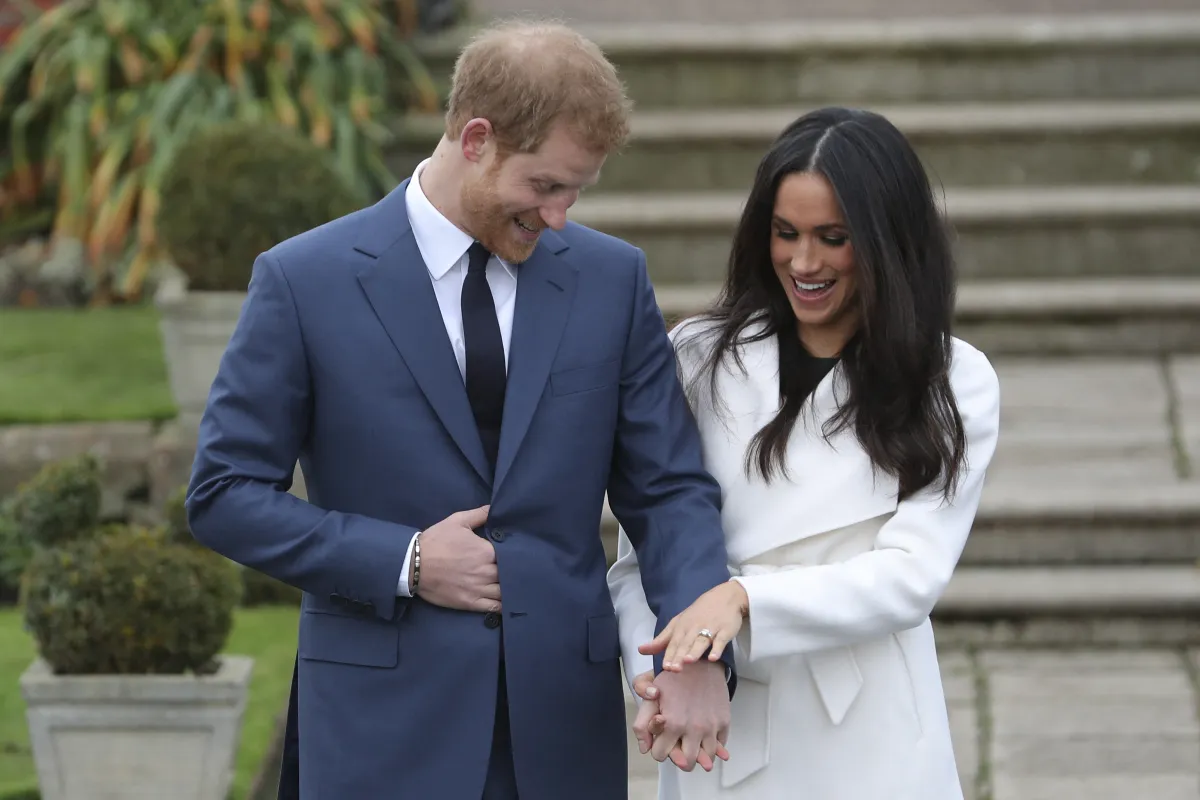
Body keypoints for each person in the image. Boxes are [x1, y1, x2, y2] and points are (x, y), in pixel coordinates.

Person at [185, 20, 737, 800]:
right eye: (545, 187)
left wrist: (694, 651)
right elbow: (223, 496)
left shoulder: (612, 281)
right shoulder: (304, 281)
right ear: (476, 138)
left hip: (559, 733)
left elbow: (669, 489)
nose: (558, 217)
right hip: (379, 729)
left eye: (576, 192)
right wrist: (404, 561)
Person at [606, 106, 1002, 800]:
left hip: (868, 729)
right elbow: (644, 552)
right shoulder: (699, 357)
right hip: (717, 723)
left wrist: (743, 602)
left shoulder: (951, 379)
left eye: (833, 238)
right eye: (784, 234)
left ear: (887, 242)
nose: (804, 262)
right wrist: (668, 663)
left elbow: (912, 575)